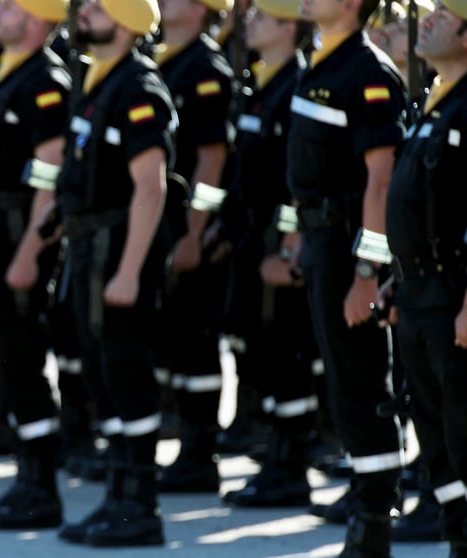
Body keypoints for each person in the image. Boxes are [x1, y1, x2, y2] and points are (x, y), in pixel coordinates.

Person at [54, 0, 175, 547]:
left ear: (127, 21)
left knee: (126, 373)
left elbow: (151, 187)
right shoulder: (100, 79)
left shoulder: (138, 86)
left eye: (101, 7)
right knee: (105, 375)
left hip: (117, 252)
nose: (86, 12)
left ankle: (140, 506)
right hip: (90, 249)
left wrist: (128, 272)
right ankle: (118, 498)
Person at [287, 0, 407, 553]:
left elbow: (379, 184)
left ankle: (375, 518)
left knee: (361, 383)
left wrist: (367, 272)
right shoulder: (320, 64)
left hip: (347, 246)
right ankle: (364, 499)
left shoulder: (366, 72)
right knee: (342, 380)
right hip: (319, 242)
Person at [0, 0, 69, 530]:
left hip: (14, 239)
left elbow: (51, 174)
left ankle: (40, 488)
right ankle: (24, 477)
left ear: (39, 19)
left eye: (10, 5)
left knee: (22, 360)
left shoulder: (45, 80)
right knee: (1, 354)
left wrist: (31, 249)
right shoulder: (6, 77)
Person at [214, 0, 318, 508]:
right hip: (253, 244)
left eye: (261, 16)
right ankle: (275, 459)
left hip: (280, 248)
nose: (248, 20)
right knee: (262, 352)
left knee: (287, 358)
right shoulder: (263, 82)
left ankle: (290, 466)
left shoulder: (297, 85)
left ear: (289, 28)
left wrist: (291, 249)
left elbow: (299, 181)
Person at [386, 1, 467, 555]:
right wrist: (394, 277)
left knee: (464, 438)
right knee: (437, 440)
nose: (430, 19)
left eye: (447, 12)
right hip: (417, 293)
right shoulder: (432, 101)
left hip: (453, 297)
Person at [155, 0, 235, 494]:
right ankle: (187, 446)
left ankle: (200, 453)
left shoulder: (206, 68)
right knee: (178, 342)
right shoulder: (168, 58)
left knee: (198, 345)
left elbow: (212, 159)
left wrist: (194, 229)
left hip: (192, 233)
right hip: (167, 228)